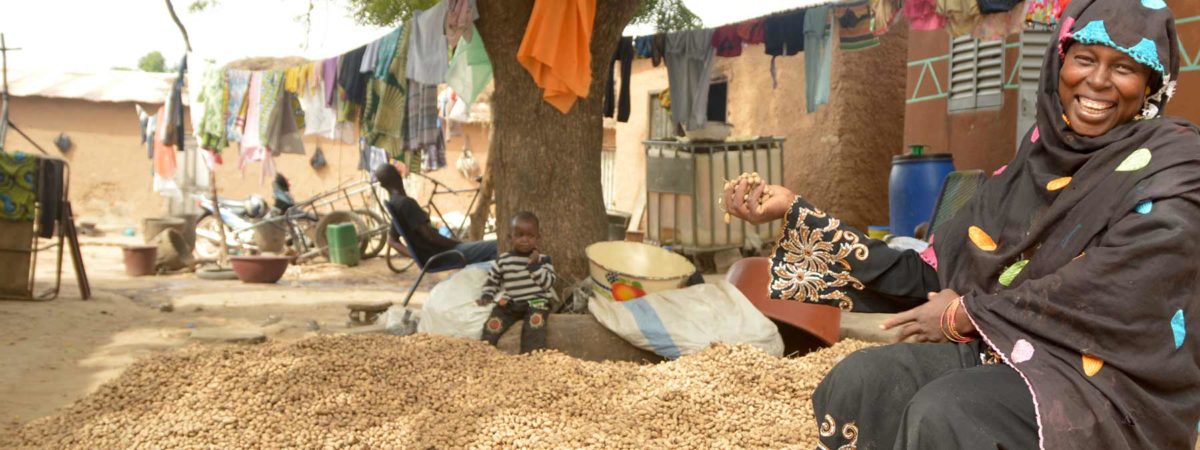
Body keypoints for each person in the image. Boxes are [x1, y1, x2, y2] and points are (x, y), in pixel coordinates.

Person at [724, 1, 1200, 448]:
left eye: (1124, 68)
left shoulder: (1175, 163)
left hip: (1111, 381)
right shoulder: (1036, 159)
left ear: (1152, 83)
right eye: (1085, 58)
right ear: (1060, 62)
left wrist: (966, 315)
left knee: (948, 412)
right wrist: (793, 211)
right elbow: (933, 274)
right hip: (1008, 347)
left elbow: (1121, 290)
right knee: (862, 381)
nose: (1097, 81)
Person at [374, 163, 498, 264]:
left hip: (434, 256)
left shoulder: (395, 203)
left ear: (382, 185)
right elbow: (430, 236)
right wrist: (457, 243)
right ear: (398, 175)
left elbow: (391, 241)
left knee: (483, 247)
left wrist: (416, 256)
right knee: (497, 246)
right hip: (444, 255)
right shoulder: (406, 204)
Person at [476, 211, 556, 353]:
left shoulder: (543, 260)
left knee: (535, 324)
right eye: (519, 235)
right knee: (494, 322)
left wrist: (534, 266)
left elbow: (548, 284)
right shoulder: (504, 260)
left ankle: (532, 356)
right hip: (513, 301)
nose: (525, 240)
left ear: (538, 237)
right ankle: (485, 350)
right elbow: (492, 280)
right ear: (510, 237)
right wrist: (487, 295)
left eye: (530, 236)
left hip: (537, 301)